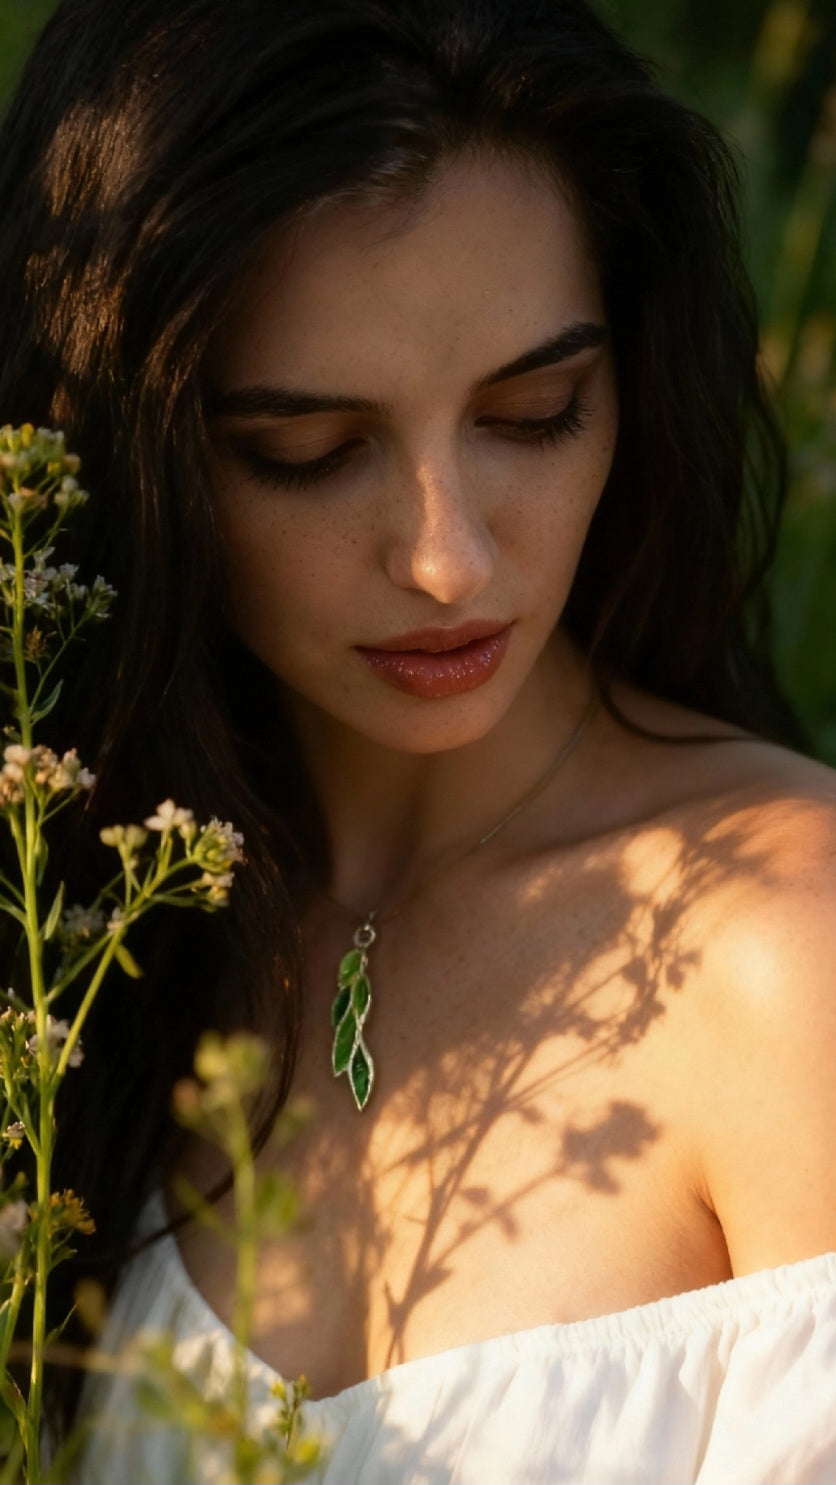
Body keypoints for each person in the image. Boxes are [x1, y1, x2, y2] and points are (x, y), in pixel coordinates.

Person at [0, 0, 835, 1480]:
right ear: (125, 448)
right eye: (310, 453)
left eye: (535, 413)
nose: (449, 560)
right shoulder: (93, 937)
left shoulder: (786, 954)